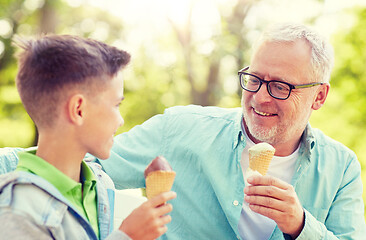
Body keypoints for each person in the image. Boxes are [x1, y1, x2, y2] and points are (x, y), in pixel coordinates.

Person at [1, 22, 365, 239]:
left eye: (280, 87)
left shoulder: (342, 168)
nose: (259, 98)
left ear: (319, 96)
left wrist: (300, 226)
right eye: (253, 79)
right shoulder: (181, 130)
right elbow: (70, 157)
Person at [0, 35, 176, 240]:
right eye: (116, 105)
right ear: (79, 109)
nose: (120, 120)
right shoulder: (16, 211)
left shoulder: (100, 184)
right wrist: (128, 236)